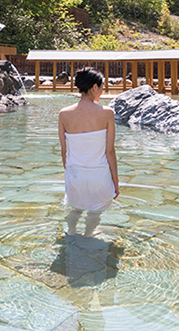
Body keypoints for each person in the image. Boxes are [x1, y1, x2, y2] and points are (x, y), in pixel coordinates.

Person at [58, 67, 119, 236]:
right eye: (101, 87)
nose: (102, 91)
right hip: (98, 174)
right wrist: (115, 180)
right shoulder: (107, 113)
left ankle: (70, 231)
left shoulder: (64, 114)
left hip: (75, 173)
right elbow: (110, 151)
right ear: (94, 87)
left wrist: (70, 173)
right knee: (95, 211)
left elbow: (64, 150)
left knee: (76, 209)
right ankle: (89, 233)